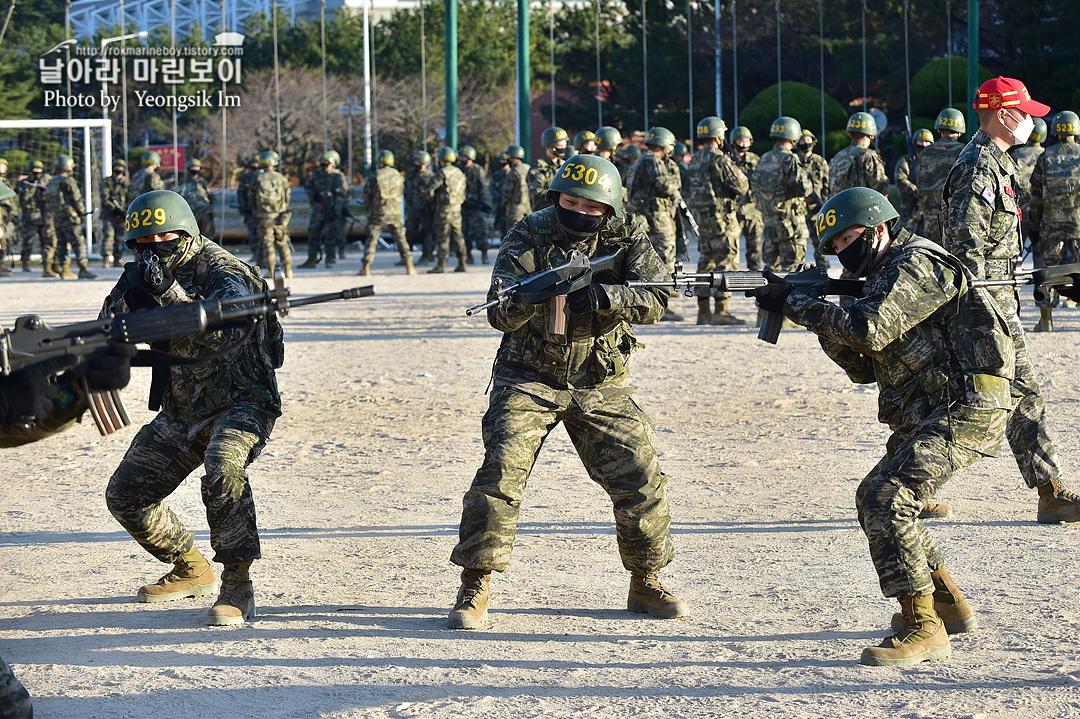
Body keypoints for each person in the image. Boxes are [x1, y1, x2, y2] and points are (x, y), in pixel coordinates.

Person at [748, 187, 1016, 666]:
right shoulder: (878, 278)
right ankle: (946, 604)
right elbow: (863, 364)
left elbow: (870, 329)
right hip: (930, 407)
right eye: (833, 246)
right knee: (876, 495)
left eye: (848, 238)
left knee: (886, 496)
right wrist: (811, 305)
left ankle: (923, 627)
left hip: (970, 403)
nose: (843, 251)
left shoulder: (919, 263)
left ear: (878, 228)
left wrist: (799, 303)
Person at [447, 154, 688, 629]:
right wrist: (526, 300)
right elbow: (499, 312)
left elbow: (658, 297)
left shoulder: (627, 236)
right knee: (500, 474)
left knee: (639, 473)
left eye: (590, 206)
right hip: (528, 373)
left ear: (609, 210)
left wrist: (605, 296)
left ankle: (646, 579)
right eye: (568, 201)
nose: (576, 211)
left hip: (599, 378)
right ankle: (476, 582)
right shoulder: (529, 234)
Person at [102, 190, 283, 626]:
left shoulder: (227, 272)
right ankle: (190, 567)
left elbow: (222, 336)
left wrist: (167, 295)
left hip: (243, 403)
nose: (153, 247)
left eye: (163, 237)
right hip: (181, 408)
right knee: (126, 496)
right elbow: (109, 324)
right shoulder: (146, 272)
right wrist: (135, 298)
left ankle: (237, 584)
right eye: (143, 242)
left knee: (222, 463)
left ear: (185, 231)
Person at [942, 76, 1080, 524]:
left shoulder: (996, 162)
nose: (1029, 122)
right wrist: (988, 307)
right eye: (1025, 114)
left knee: (1017, 396)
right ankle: (905, 485)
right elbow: (964, 251)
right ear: (1004, 114)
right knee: (970, 400)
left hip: (998, 300)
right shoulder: (978, 167)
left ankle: (1049, 492)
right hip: (984, 307)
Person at [687, 115, 750, 325]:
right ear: (717, 136)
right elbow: (741, 186)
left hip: (703, 219)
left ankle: (702, 311)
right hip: (722, 219)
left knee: (705, 261)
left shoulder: (695, 159)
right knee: (726, 260)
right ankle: (721, 311)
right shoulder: (719, 159)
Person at [1027, 111, 1079, 332]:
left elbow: (1036, 196)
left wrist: (1035, 226)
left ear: (1056, 131)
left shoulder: (1045, 156)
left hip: (1051, 226)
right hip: (1079, 226)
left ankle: (1046, 319)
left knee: (1048, 271)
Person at [626, 126, 683, 322]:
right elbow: (664, 185)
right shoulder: (652, 160)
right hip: (655, 218)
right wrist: (676, 185)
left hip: (647, 217)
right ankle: (661, 307)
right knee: (662, 261)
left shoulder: (642, 159)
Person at [751, 117, 813, 274]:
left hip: (770, 223)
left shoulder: (764, 158)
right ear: (793, 138)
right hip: (790, 225)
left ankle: (764, 300)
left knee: (770, 273)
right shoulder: (789, 158)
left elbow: (755, 187)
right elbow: (804, 188)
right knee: (792, 272)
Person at [915, 109, 967, 244]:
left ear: (938, 129)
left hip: (932, 214)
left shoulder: (926, 152)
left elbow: (919, 182)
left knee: (934, 252)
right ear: (960, 130)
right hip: (958, 211)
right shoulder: (965, 151)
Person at [360, 150, 414, 275]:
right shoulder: (398, 176)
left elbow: (367, 195)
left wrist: (368, 206)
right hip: (395, 211)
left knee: (372, 239)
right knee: (400, 238)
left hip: (378, 211)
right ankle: (409, 265)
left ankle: (366, 267)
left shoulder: (375, 176)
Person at [45, 154, 96, 280]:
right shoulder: (68, 180)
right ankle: (83, 268)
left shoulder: (51, 181)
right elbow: (76, 199)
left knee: (62, 244)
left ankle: (65, 269)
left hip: (57, 217)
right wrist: (81, 212)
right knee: (78, 243)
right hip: (69, 217)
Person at [422, 146, 468, 273]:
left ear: (441, 159)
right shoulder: (459, 173)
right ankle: (462, 262)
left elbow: (429, 190)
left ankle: (441, 265)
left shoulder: (441, 173)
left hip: (443, 210)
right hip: (456, 210)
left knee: (442, 237)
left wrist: (433, 202)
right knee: (458, 237)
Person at [302, 151, 350, 269]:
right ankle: (312, 259)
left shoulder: (338, 176)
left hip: (332, 211)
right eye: (322, 164)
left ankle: (330, 257)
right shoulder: (316, 175)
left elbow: (343, 194)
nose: (323, 166)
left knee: (331, 236)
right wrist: (316, 202)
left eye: (326, 164)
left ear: (333, 164)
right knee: (313, 234)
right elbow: (308, 188)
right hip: (318, 210)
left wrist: (336, 210)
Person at [249, 150, 292, 277]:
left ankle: (271, 270)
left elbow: (251, 196)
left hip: (264, 216)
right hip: (280, 215)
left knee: (268, 243)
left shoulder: (258, 178)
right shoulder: (281, 178)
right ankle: (288, 269)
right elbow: (287, 195)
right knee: (282, 241)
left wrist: (256, 210)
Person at [1009, 116, 1047, 261]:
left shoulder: (1016, 155)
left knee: (1015, 252)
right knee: (1039, 252)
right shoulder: (1046, 154)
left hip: (1020, 211)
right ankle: (1041, 283)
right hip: (1040, 213)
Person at [828, 112, 888, 198]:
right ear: (871, 135)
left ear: (850, 133)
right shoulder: (868, 155)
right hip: (862, 208)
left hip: (840, 208)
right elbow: (880, 186)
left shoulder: (838, 156)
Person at [729, 126, 764, 271]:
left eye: (746, 141)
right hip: (734, 210)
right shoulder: (728, 160)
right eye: (740, 141)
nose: (743, 144)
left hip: (753, 211)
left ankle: (755, 281)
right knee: (732, 249)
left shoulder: (755, 159)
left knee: (754, 249)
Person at [796, 129, 831, 267]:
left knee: (821, 245)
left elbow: (827, 185)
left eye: (809, 140)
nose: (806, 143)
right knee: (797, 247)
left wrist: (825, 204)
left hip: (817, 210)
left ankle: (824, 274)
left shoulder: (820, 162)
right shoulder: (794, 161)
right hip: (799, 210)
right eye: (803, 141)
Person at [17, 160, 57, 277]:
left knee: (47, 241)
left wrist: (42, 187)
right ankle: (25, 263)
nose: (37, 172)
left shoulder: (46, 181)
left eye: (39, 170)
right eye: (35, 170)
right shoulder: (24, 183)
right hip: (30, 216)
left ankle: (48, 265)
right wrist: (33, 186)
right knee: (28, 241)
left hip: (44, 216)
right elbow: (24, 198)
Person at [894, 128, 934, 232]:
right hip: (909, 210)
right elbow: (900, 179)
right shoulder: (906, 161)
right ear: (915, 142)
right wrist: (915, 191)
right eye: (920, 141)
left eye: (927, 142)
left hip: (928, 211)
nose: (924, 144)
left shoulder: (933, 163)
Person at [458, 145, 491, 264]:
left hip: (476, 206)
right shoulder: (458, 169)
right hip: (462, 205)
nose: (461, 158)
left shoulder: (477, 170)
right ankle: (468, 254)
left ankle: (484, 255)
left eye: (464, 157)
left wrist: (483, 204)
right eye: (461, 156)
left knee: (480, 231)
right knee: (464, 232)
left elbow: (482, 188)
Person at [405, 150, 437, 265]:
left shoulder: (430, 177)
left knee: (427, 234)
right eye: (416, 162)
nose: (417, 165)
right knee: (409, 232)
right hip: (412, 208)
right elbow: (407, 190)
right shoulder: (410, 174)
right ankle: (406, 257)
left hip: (425, 209)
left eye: (420, 163)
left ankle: (427, 255)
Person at [527, 127, 569, 211]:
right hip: (543, 213)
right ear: (550, 146)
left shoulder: (566, 165)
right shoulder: (538, 167)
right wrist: (560, 195)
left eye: (564, 145)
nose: (563, 148)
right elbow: (537, 192)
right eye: (559, 146)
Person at [101, 158, 131, 268]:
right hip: (109, 214)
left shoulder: (127, 182)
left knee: (119, 237)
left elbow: (130, 197)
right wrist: (114, 209)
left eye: (121, 167)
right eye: (117, 167)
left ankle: (117, 259)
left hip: (122, 215)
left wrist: (125, 212)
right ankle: (106, 259)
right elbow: (105, 198)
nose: (119, 169)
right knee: (108, 236)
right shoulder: (107, 181)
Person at [177, 159, 215, 239]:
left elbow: (210, 196)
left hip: (204, 212)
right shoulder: (183, 182)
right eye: (193, 167)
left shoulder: (202, 182)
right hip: (190, 213)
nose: (195, 169)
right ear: (189, 169)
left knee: (207, 236)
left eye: (197, 167)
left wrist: (211, 207)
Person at [499, 145, 531, 233]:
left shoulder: (513, 172)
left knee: (514, 234)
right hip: (529, 207)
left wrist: (502, 206)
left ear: (513, 156)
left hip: (515, 209)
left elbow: (507, 192)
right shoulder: (527, 168)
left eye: (508, 156)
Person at [237, 155, 261, 265]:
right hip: (249, 210)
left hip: (261, 211)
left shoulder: (262, 176)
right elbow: (241, 193)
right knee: (252, 233)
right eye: (252, 163)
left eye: (256, 163)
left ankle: (264, 256)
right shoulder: (246, 177)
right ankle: (256, 254)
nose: (254, 165)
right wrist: (243, 206)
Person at [487, 151, 510, 242]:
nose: (502, 162)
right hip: (499, 204)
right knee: (502, 228)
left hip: (510, 205)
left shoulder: (511, 173)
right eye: (500, 160)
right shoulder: (497, 175)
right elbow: (491, 187)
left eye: (504, 160)